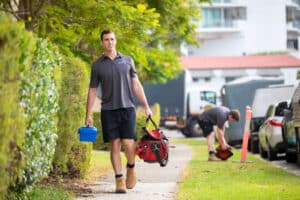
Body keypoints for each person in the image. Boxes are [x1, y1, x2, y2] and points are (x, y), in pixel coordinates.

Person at [85, 29, 152, 193]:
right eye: (106, 40)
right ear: (102, 42)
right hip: (108, 110)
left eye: (112, 39)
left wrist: (146, 106)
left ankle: (130, 167)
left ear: (116, 41)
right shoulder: (97, 65)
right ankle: (119, 179)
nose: (110, 42)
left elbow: (136, 85)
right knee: (114, 145)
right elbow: (93, 90)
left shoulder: (128, 60)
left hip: (127, 108)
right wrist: (87, 114)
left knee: (129, 144)